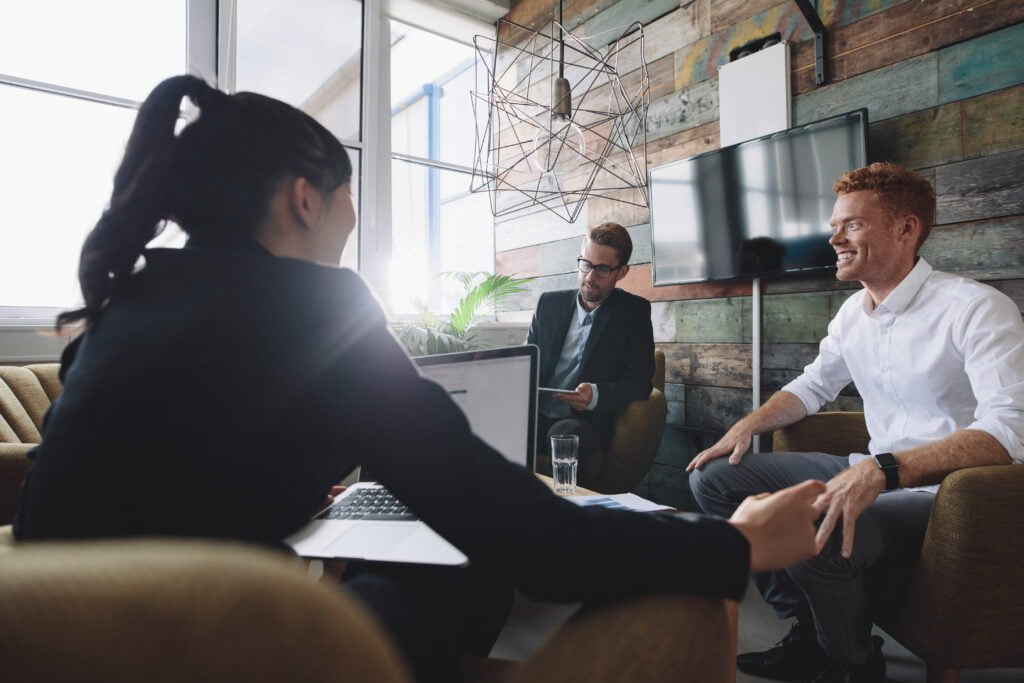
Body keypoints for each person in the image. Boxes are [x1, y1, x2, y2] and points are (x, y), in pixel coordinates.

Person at [14, 75, 825, 681]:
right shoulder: (314, 307)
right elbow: (537, 544)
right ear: (304, 199)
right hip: (222, 647)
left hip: (56, 640)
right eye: (347, 195)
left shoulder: (123, 304)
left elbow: (136, 483)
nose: (350, 216)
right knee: (485, 562)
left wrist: (294, 487)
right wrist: (734, 541)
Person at [687, 162, 1024, 683]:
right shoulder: (851, 314)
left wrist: (885, 469)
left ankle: (854, 662)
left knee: (812, 527)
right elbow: (812, 385)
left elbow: (1010, 429)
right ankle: (806, 628)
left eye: (853, 225)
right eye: (834, 225)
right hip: (871, 465)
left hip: (944, 493)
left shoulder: (976, 309)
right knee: (714, 478)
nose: (835, 238)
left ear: (905, 229)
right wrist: (747, 425)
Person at [527, 222, 653, 485]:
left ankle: (572, 516)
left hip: (584, 421)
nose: (589, 277)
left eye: (602, 269)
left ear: (622, 272)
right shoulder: (548, 304)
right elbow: (529, 361)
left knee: (566, 435)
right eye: (585, 264)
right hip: (537, 412)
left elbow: (640, 384)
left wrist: (595, 394)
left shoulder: (633, 312)